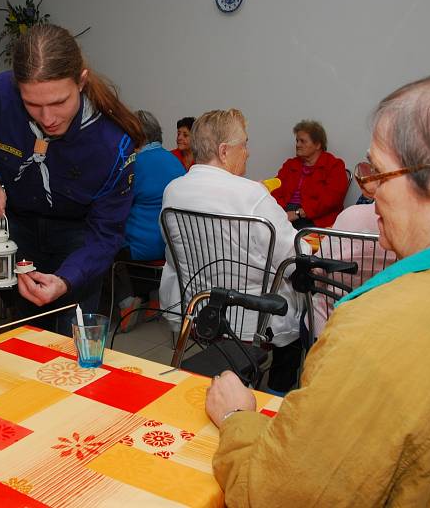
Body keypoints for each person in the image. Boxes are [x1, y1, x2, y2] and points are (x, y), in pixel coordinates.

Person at [206, 62, 430, 505]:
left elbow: (280, 494)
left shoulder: (384, 328)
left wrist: (236, 419)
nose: (370, 190)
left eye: (380, 173)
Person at [0, 24, 143, 334]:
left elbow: (106, 232)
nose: (48, 119)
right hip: (20, 231)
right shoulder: (0, 96)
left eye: (58, 103)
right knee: (25, 334)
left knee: (70, 343)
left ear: (81, 81)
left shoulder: (112, 143)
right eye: (33, 105)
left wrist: (68, 279)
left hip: (79, 241)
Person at [158, 109, 305, 391]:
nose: (248, 153)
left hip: (201, 309)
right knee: (299, 331)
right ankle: (274, 399)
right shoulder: (252, 195)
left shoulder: (173, 191)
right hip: (254, 319)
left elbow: (172, 253)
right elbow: (292, 258)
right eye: (245, 144)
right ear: (224, 151)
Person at [114, 110, 185, 328]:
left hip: (141, 248)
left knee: (103, 246)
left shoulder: (134, 164)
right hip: (171, 246)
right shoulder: (175, 162)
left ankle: (126, 303)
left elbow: (116, 204)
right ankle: (154, 298)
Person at [311, 180, 397, 338]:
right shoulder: (421, 233)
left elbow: (317, 274)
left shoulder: (350, 215)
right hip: (384, 329)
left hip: (329, 322)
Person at [272, 120, 347, 228]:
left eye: (303, 141)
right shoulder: (290, 164)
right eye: (297, 140)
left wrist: (298, 213)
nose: (298, 145)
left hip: (315, 218)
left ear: (317, 145)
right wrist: (279, 211)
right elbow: (276, 189)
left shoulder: (334, 166)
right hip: (286, 212)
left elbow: (330, 200)